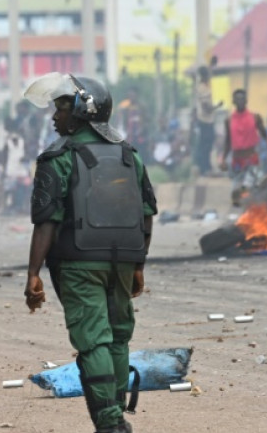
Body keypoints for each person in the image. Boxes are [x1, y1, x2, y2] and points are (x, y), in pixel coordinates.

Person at [22, 73, 157, 433]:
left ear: (83, 112)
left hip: (78, 264)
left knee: (93, 339)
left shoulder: (57, 158)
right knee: (117, 336)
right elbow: (146, 214)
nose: (54, 117)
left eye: (61, 109)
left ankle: (110, 422)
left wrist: (33, 273)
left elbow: (46, 222)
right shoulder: (131, 155)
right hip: (124, 260)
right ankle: (115, 415)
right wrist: (139, 263)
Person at [218, 89, 267, 207]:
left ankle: (254, 209)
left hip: (252, 158)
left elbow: (263, 132)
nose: (240, 101)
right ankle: (244, 207)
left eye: (242, 98)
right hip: (237, 160)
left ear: (246, 100)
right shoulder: (228, 120)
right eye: (237, 99)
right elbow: (228, 141)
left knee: (251, 186)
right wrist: (223, 159)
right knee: (236, 192)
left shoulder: (255, 117)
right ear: (233, 101)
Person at [193, 65, 221, 175]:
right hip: (205, 120)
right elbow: (206, 106)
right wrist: (216, 107)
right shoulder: (202, 88)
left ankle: (206, 167)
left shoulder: (206, 87)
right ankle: (204, 168)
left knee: (207, 144)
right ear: (205, 76)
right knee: (205, 145)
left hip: (208, 120)